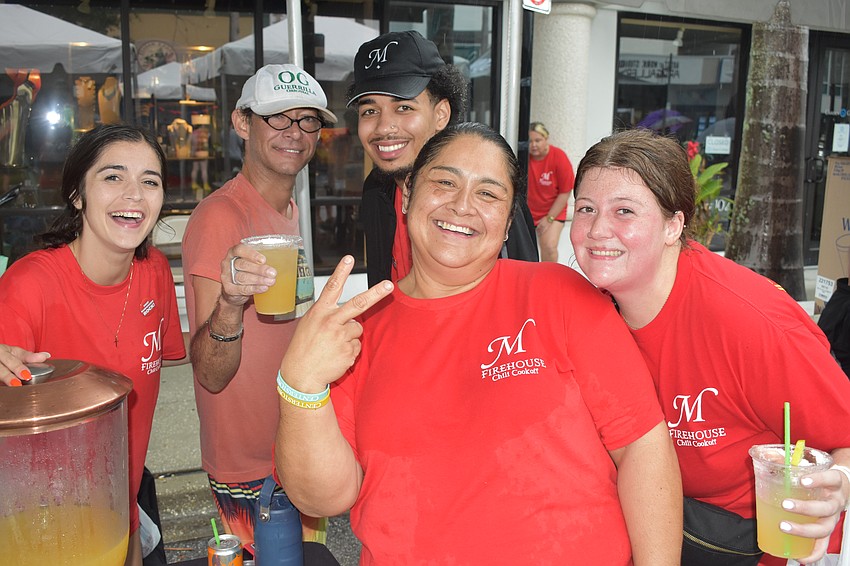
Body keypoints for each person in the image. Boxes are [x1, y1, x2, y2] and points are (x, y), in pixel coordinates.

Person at [273, 123, 683, 564]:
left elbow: (642, 446)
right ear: (408, 196)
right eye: (445, 182)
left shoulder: (561, 295)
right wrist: (301, 385)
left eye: (488, 194)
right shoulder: (357, 330)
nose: (462, 205)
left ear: (508, 223)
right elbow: (323, 499)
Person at [569, 128, 850, 565]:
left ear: (673, 225)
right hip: (647, 530)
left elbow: (845, 436)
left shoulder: (747, 320)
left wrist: (840, 484)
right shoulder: (584, 308)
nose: (598, 230)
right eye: (586, 209)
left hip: (752, 548)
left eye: (624, 211)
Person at [0, 124, 186, 566]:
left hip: (119, 518)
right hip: (41, 532)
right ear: (78, 195)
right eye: (113, 177)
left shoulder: (155, 272)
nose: (135, 195)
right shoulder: (30, 285)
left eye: (150, 181)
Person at [182, 63, 336, 553]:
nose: (295, 132)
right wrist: (229, 303)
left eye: (307, 120)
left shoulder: (291, 211)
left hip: (294, 447)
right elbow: (208, 371)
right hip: (251, 468)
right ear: (243, 123)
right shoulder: (220, 216)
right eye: (277, 118)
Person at [347, 30, 539, 287]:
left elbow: (524, 296)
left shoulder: (486, 194)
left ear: (441, 114)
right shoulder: (376, 189)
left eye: (404, 107)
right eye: (370, 110)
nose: (384, 127)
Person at [527, 121, 575, 262]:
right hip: (529, 212)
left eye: (538, 140)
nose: (534, 145)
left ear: (546, 139)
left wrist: (549, 219)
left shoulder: (558, 157)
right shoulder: (524, 157)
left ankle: (548, 279)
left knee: (549, 246)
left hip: (552, 211)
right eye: (530, 141)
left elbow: (565, 192)